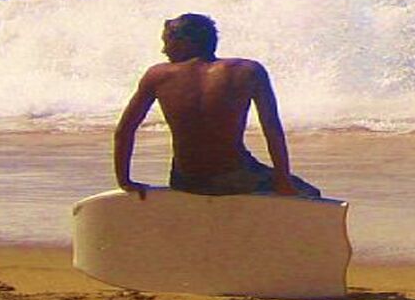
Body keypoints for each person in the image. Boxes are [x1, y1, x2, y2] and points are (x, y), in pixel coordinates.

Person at [114, 13, 319, 198]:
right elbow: (272, 128)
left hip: (185, 181)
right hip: (236, 178)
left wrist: (125, 181)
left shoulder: (157, 75)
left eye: (167, 42)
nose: (164, 50)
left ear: (185, 43)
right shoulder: (248, 71)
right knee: (310, 193)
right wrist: (283, 181)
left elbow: (124, 131)